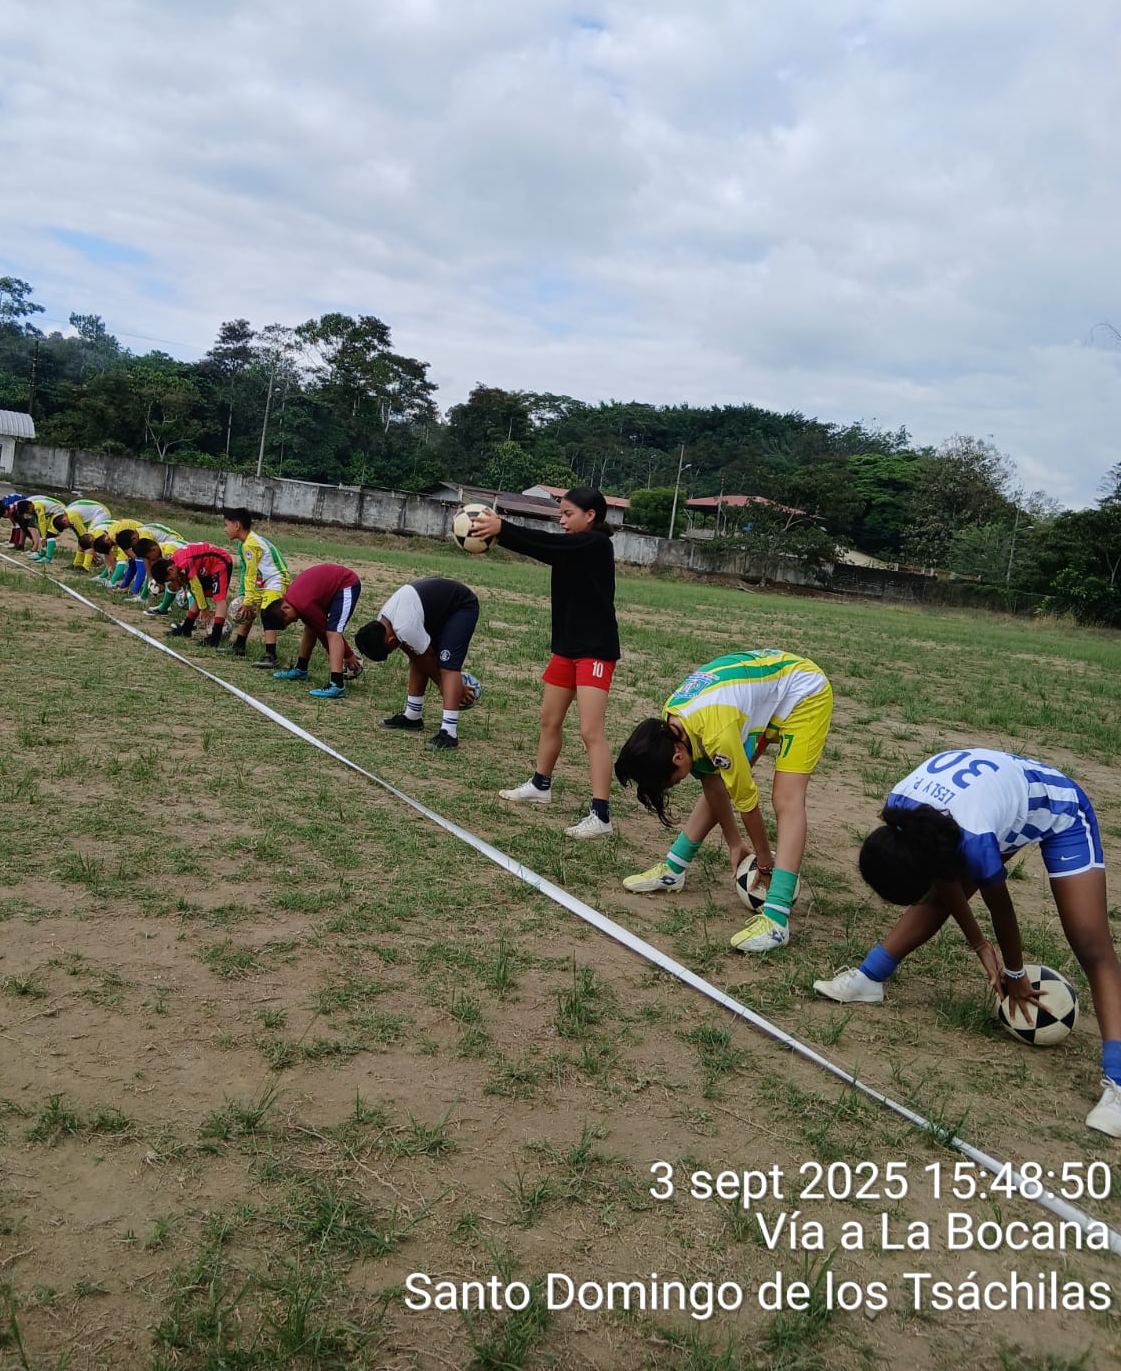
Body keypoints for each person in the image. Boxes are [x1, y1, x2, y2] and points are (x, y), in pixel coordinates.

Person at [813, 747, 1121, 1138]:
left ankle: (1119, 1083)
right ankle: (869, 978)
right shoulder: (902, 815)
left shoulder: (972, 842)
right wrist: (979, 945)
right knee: (940, 897)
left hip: (1059, 807)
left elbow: (1001, 909)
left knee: (1090, 943)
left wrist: (1015, 974)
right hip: (985, 807)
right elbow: (944, 880)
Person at [613, 650, 832, 954]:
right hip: (757, 700)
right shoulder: (672, 722)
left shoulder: (716, 736)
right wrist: (734, 843)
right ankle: (673, 870)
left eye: (671, 782)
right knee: (725, 777)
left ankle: (777, 919)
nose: (676, 784)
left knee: (786, 798)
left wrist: (764, 861)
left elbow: (746, 802)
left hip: (804, 692)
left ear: (677, 757)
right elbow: (714, 785)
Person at [468, 488, 620, 839]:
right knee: (549, 719)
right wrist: (503, 533)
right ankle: (540, 785)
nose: (561, 521)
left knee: (591, 732)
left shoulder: (596, 544)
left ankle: (601, 816)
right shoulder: (571, 546)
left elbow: (546, 544)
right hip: (566, 648)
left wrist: (503, 529)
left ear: (590, 516)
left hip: (595, 651)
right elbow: (545, 547)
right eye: (560, 514)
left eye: (568, 514)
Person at [355, 577, 479, 749]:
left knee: (447, 664)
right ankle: (413, 716)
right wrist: (441, 683)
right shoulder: (382, 622)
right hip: (435, 611)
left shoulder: (404, 627)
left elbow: (429, 657)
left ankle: (449, 733)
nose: (392, 652)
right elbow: (417, 656)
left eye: (389, 651)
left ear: (390, 640)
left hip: (461, 607)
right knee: (416, 656)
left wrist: (446, 685)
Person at [267, 562, 362, 692]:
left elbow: (323, 632)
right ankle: (301, 668)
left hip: (346, 583)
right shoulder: (293, 600)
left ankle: (337, 684)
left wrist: (348, 655)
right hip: (330, 588)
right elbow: (316, 627)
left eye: (290, 620)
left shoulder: (303, 605)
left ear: (285, 607)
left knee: (333, 632)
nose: (295, 620)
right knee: (310, 627)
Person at [219, 508, 292, 664]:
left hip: (276, 580)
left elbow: (251, 574)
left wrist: (247, 602)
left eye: (226, 525)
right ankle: (239, 646)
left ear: (237, 525)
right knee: (250, 608)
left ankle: (271, 655)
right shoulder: (244, 544)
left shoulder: (250, 544)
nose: (225, 529)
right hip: (264, 581)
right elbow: (245, 571)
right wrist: (244, 595)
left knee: (267, 612)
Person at [149, 542, 234, 646]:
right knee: (198, 594)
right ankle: (186, 628)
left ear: (170, 569)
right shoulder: (175, 564)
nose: (172, 582)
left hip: (220, 562)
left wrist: (204, 609)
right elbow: (194, 591)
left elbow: (196, 587)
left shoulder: (185, 563)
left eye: (170, 579)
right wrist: (202, 606)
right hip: (208, 565)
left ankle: (215, 638)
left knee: (219, 599)